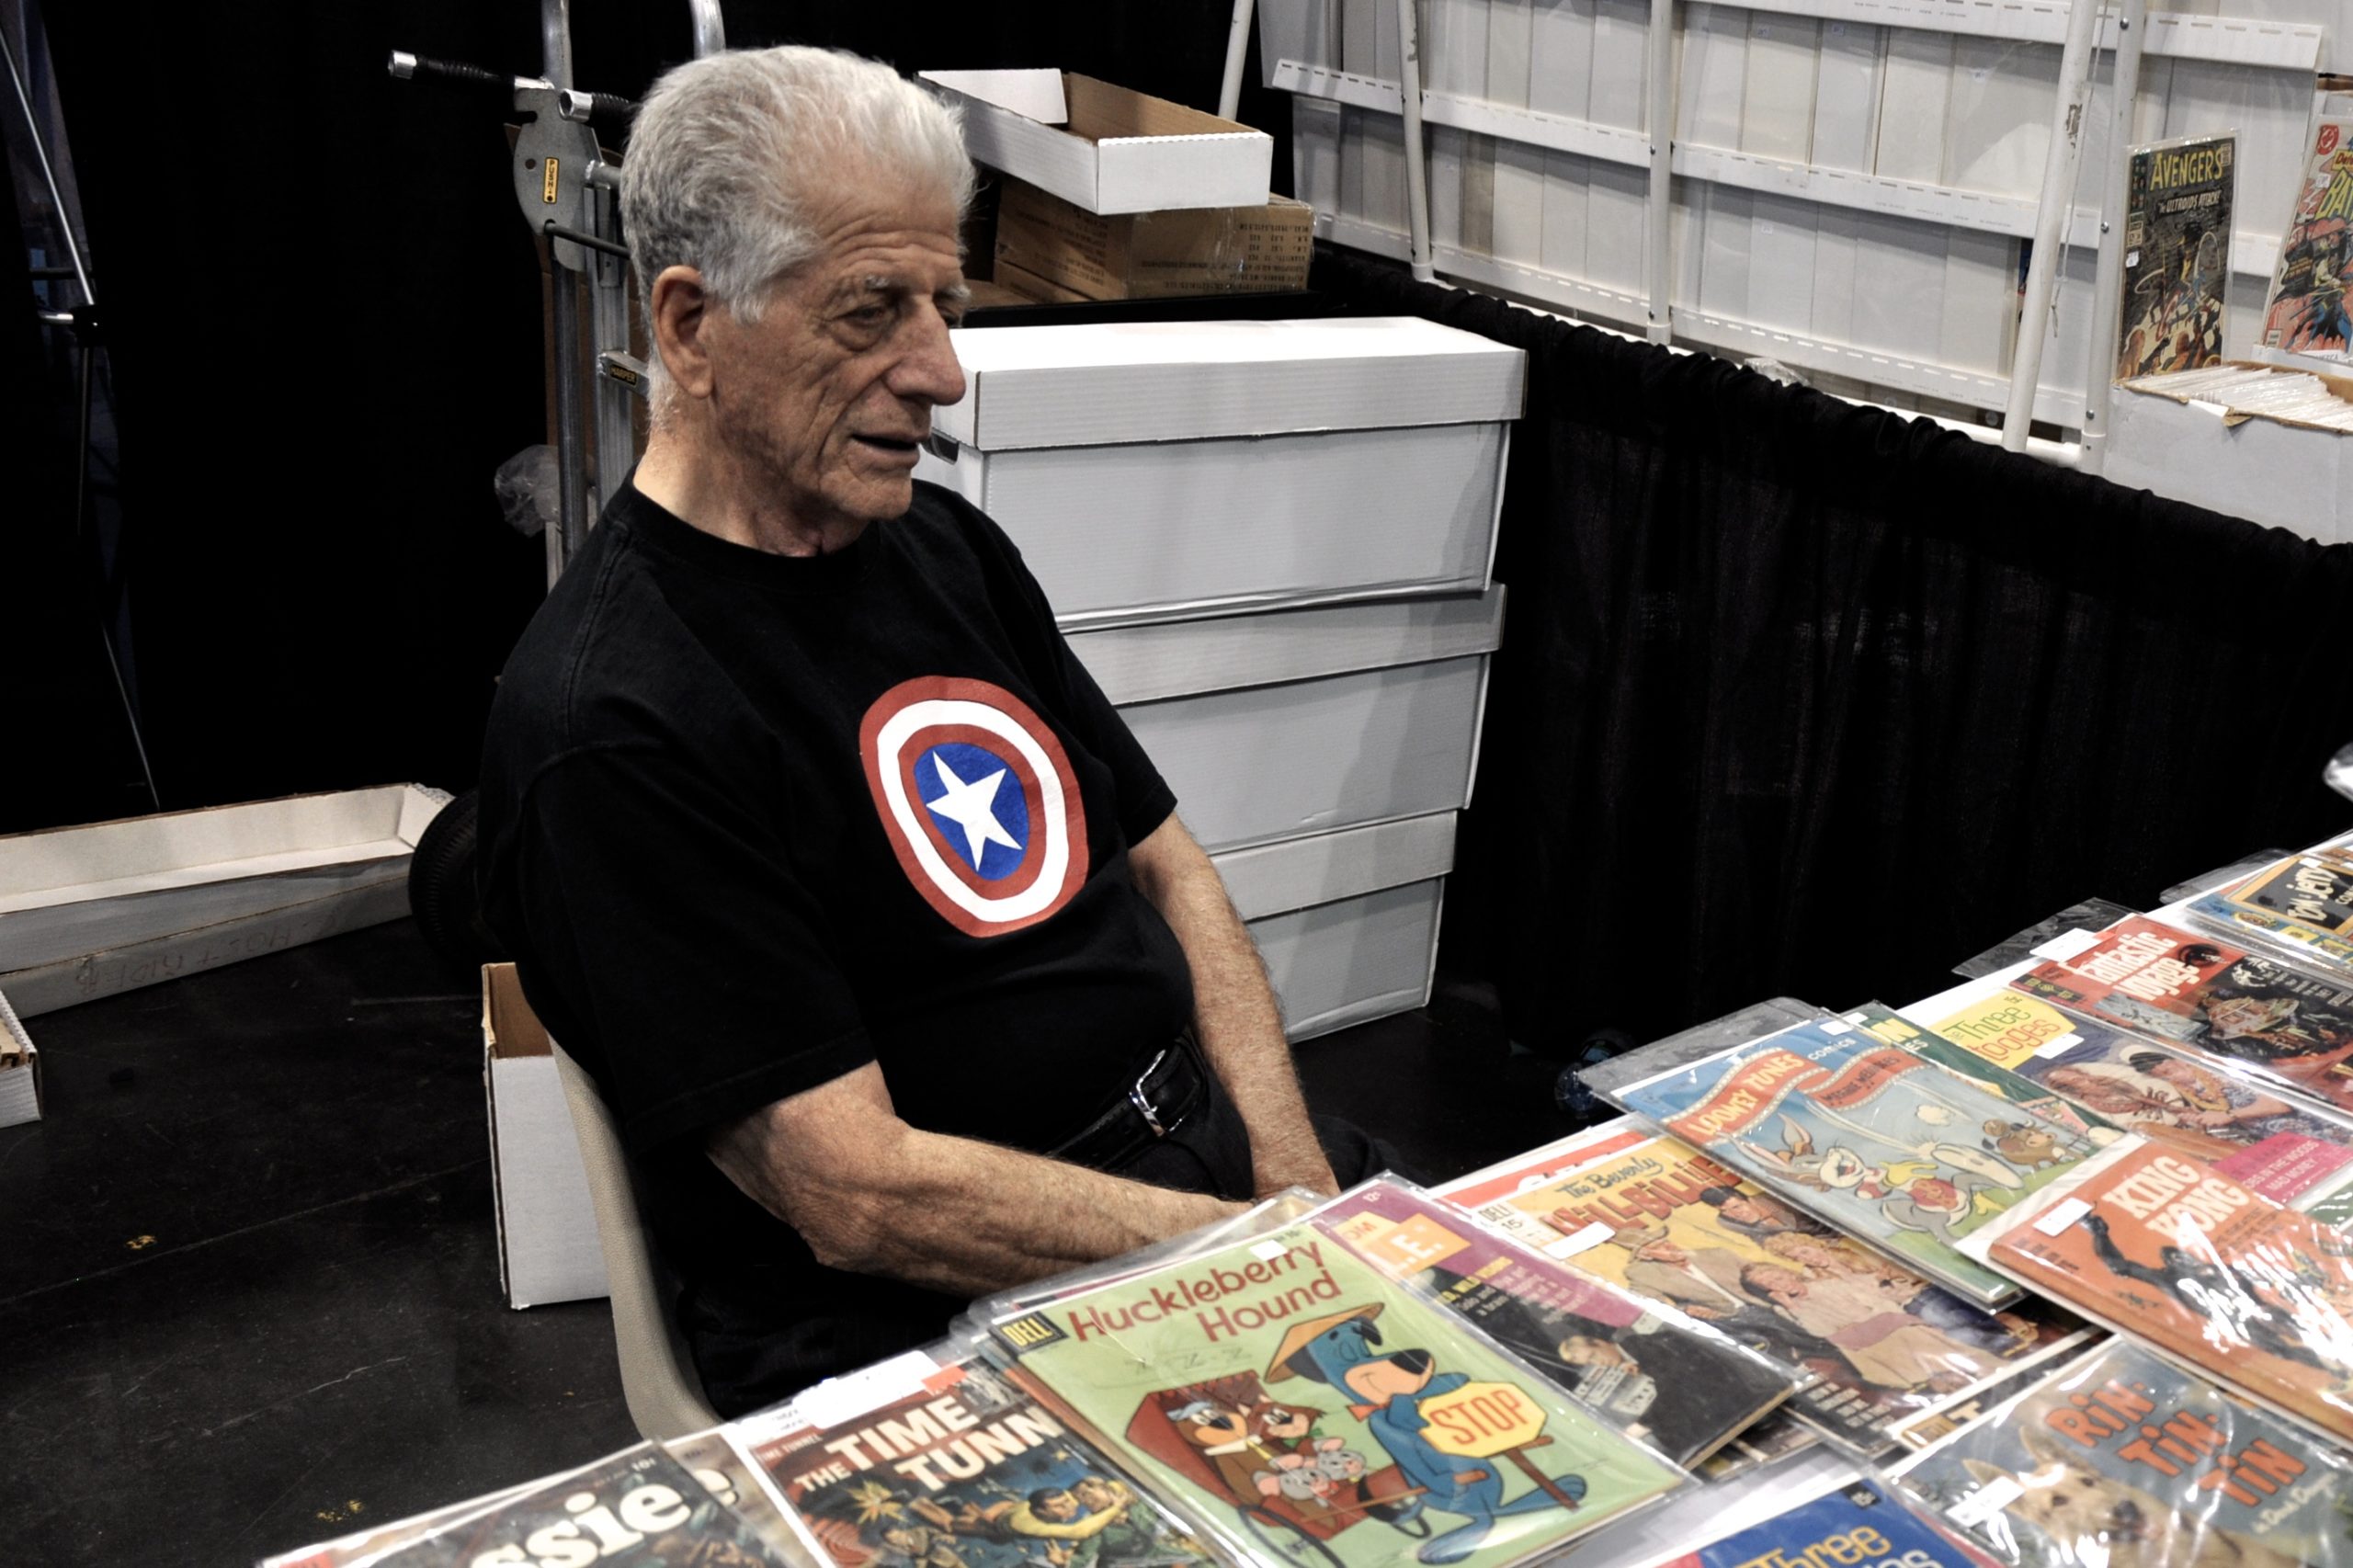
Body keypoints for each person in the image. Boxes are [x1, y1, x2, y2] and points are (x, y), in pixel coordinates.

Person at [475, 45, 1382, 1417]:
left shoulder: (944, 547)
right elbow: (856, 1192)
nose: (943, 373)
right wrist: (1252, 1257)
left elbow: (1167, 863)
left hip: (1204, 1184)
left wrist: (1293, 1184)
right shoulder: (612, 722)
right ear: (691, 326)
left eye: (945, 306)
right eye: (873, 311)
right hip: (933, 1320)